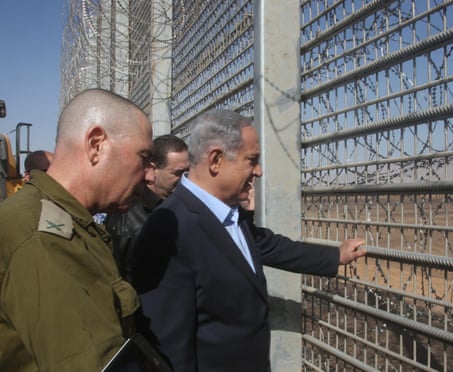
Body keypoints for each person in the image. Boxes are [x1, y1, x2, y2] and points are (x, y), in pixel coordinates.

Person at [131, 109, 366, 371]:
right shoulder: (168, 230)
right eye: (252, 160)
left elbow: (270, 245)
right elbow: (168, 348)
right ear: (216, 160)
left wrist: (336, 256)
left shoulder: (227, 213)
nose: (259, 171)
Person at [0, 88, 154, 370]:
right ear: (96, 145)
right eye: (143, 157)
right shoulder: (43, 235)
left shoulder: (71, 222)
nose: (150, 174)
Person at [105, 134, 189, 280]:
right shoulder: (125, 217)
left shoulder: (187, 207)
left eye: (188, 172)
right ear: (153, 169)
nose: (185, 179)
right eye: (178, 173)